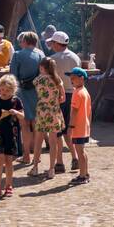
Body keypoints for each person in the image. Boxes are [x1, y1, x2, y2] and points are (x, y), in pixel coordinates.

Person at [46, 30, 81, 173]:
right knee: (69, 130)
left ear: (56, 43)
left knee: (57, 131)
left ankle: (59, 162)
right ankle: (75, 157)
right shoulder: (75, 57)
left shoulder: (52, 59)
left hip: (58, 97)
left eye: (52, 43)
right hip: (73, 95)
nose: (51, 45)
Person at [10, 31, 45, 167]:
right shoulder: (41, 55)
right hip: (37, 92)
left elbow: (12, 76)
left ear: (25, 41)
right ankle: (37, 155)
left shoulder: (18, 55)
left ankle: (26, 156)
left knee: (24, 125)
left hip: (22, 92)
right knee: (37, 125)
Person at [31, 57, 66, 179]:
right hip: (54, 111)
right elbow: (63, 98)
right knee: (53, 142)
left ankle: (35, 167)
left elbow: (36, 91)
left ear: (42, 67)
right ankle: (51, 169)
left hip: (41, 111)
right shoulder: (58, 80)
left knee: (38, 141)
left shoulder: (38, 80)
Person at [68, 67, 93, 185]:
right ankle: (85, 173)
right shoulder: (85, 91)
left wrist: (71, 125)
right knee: (82, 151)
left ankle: (82, 176)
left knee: (80, 151)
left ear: (81, 78)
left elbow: (74, 111)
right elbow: (90, 111)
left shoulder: (77, 93)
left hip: (78, 126)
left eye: (74, 78)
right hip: (85, 125)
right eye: (71, 78)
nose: (71, 80)